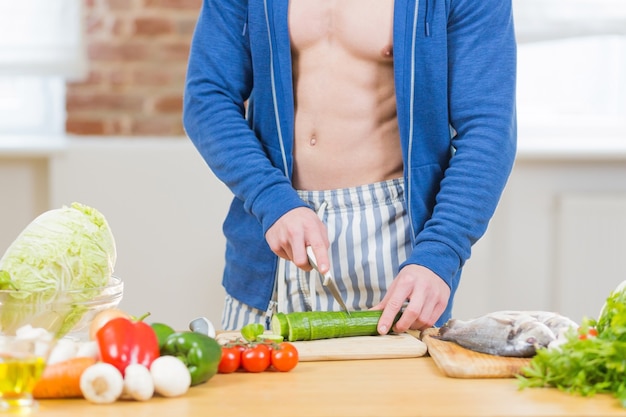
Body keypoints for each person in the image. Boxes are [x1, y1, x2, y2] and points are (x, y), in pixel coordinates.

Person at [182, 0, 517, 334]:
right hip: (275, 227)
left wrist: (442, 250)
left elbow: (488, 128)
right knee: (252, 385)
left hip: (398, 242)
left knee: (397, 389)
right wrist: (270, 199)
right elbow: (207, 98)